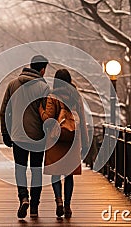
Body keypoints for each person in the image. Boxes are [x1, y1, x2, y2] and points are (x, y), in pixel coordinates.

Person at [0, 55, 50, 218]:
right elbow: (46, 114)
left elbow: (4, 111)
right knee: (36, 171)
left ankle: (23, 197)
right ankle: (34, 206)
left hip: (18, 135)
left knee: (20, 169)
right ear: (42, 69)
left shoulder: (12, 84)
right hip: (37, 136)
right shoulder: (43, 87)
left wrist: (5, 132)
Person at [39, 69, 89, 218]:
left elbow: (48, 119)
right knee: (69, 175)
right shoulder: (76, 96)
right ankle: (67, 206)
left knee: (56, 174)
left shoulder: (52, 96)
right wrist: (85, 142)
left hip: (56, 140)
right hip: (72, 139)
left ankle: (59, 201)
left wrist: (41, 110)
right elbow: (83, 119)